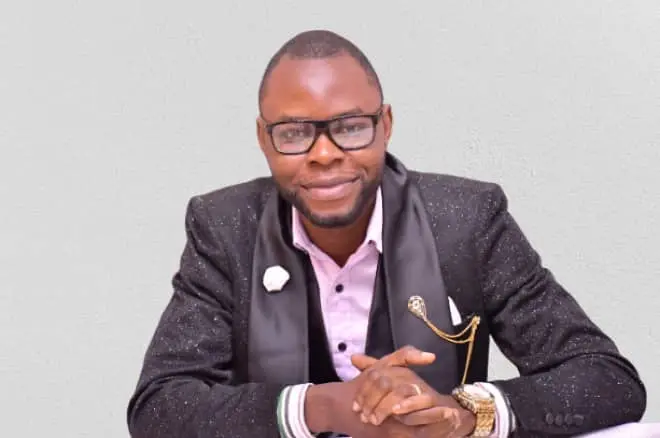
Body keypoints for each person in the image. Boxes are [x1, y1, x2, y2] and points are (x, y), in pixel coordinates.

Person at [126, 29, 646, 438]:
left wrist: (465, 413)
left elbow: (607, 379)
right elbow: (159, 406)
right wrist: (325, 407)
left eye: (351, 126)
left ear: (386, 125)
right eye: (294, 133)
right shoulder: (225, 228)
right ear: (264, 139)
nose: (324, 153)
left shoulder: (467, 220)